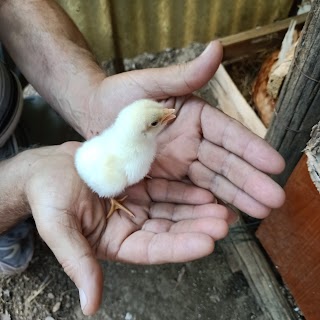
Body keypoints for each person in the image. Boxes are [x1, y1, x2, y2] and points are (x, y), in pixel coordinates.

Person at [0, 0, 286, 316]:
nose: (165, 118)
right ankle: (11, 246)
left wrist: (87, 95)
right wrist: (24, 184)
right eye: (155, 122)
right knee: (15, 241)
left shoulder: (134, 144)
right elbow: (108, 175)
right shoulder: (125, 157)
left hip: (13, 112)